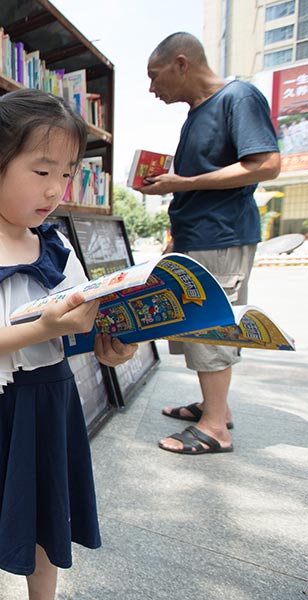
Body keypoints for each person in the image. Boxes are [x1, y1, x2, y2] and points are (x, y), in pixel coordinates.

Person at [0, 88, 137, 600]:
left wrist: (112, 348)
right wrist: (47, 328)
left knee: (45, 527)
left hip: (50, 402)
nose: (56, 189)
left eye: (67, 173)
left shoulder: (56, 245)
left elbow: (81, 328)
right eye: (42, 172)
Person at [136, 32, 281, 455]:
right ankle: (213, 406)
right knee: (192, 322)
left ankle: (215, 427)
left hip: (220, 235)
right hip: (195, 236)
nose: (151, 88)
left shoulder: (239, 97)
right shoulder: (196, 113)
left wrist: (185, 182)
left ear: (182, 63)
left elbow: (266, 164)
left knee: (211, 323)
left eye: (154, 75)